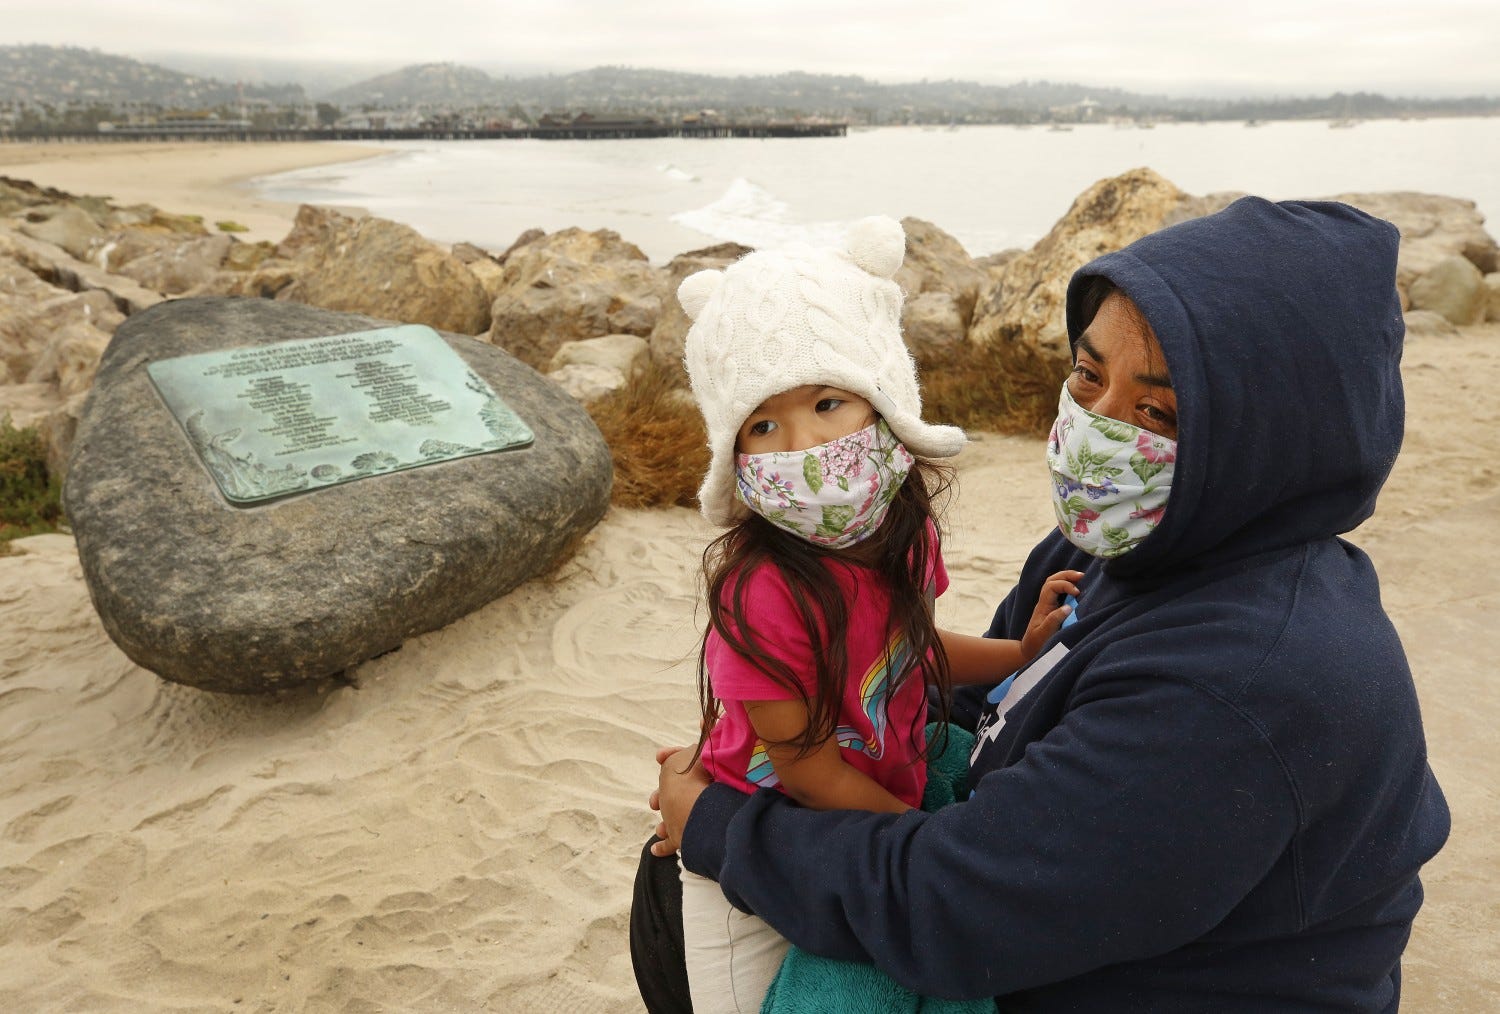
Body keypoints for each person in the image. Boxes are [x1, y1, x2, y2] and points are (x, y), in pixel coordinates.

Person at [634, 197, 1451, 1012]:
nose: (1096, 431)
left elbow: (953, 909)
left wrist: (721, 827)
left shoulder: (1243, 682)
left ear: (1274, 436)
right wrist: (784, 735)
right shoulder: (1113, 546)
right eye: (1088, 376)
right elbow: (957, 694)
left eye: (1156, 412)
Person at [661, 216, 1082, 1014]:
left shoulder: (904, 534)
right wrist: (925, 848)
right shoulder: (761, 593)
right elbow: (808, 772)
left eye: (828, 402)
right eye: (763, 424)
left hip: (876, 799)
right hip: (762, 833)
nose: (802, 445)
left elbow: (910, 653)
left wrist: (1018, 653)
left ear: (886, 407)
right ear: (734, 454)